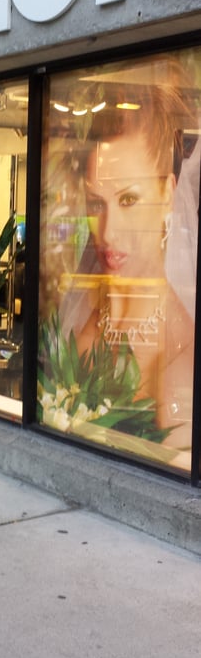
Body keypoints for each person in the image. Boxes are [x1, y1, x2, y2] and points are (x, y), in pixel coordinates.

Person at [68, 79, 196, 456]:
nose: (108, 233)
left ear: (167, 193)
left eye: (128, 200)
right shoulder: (91, 315)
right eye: (96, 203)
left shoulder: (178, 359)